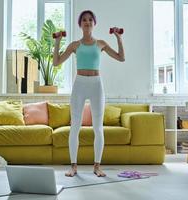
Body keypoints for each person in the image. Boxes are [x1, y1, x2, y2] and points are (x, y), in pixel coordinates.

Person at [53, 10, 125, 177]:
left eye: (90, 19)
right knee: (75, 127)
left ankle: (97, 166)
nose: (87, 22)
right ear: (80, 24)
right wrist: (58, 42)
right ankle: (73, 166)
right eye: (84, 20)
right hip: (80, 84)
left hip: (96, 85)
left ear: (94, 23)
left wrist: (118, 38)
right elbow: (56, 62)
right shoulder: (74, 45)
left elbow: (121, 57)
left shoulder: (100, 43)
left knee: (98, 128)